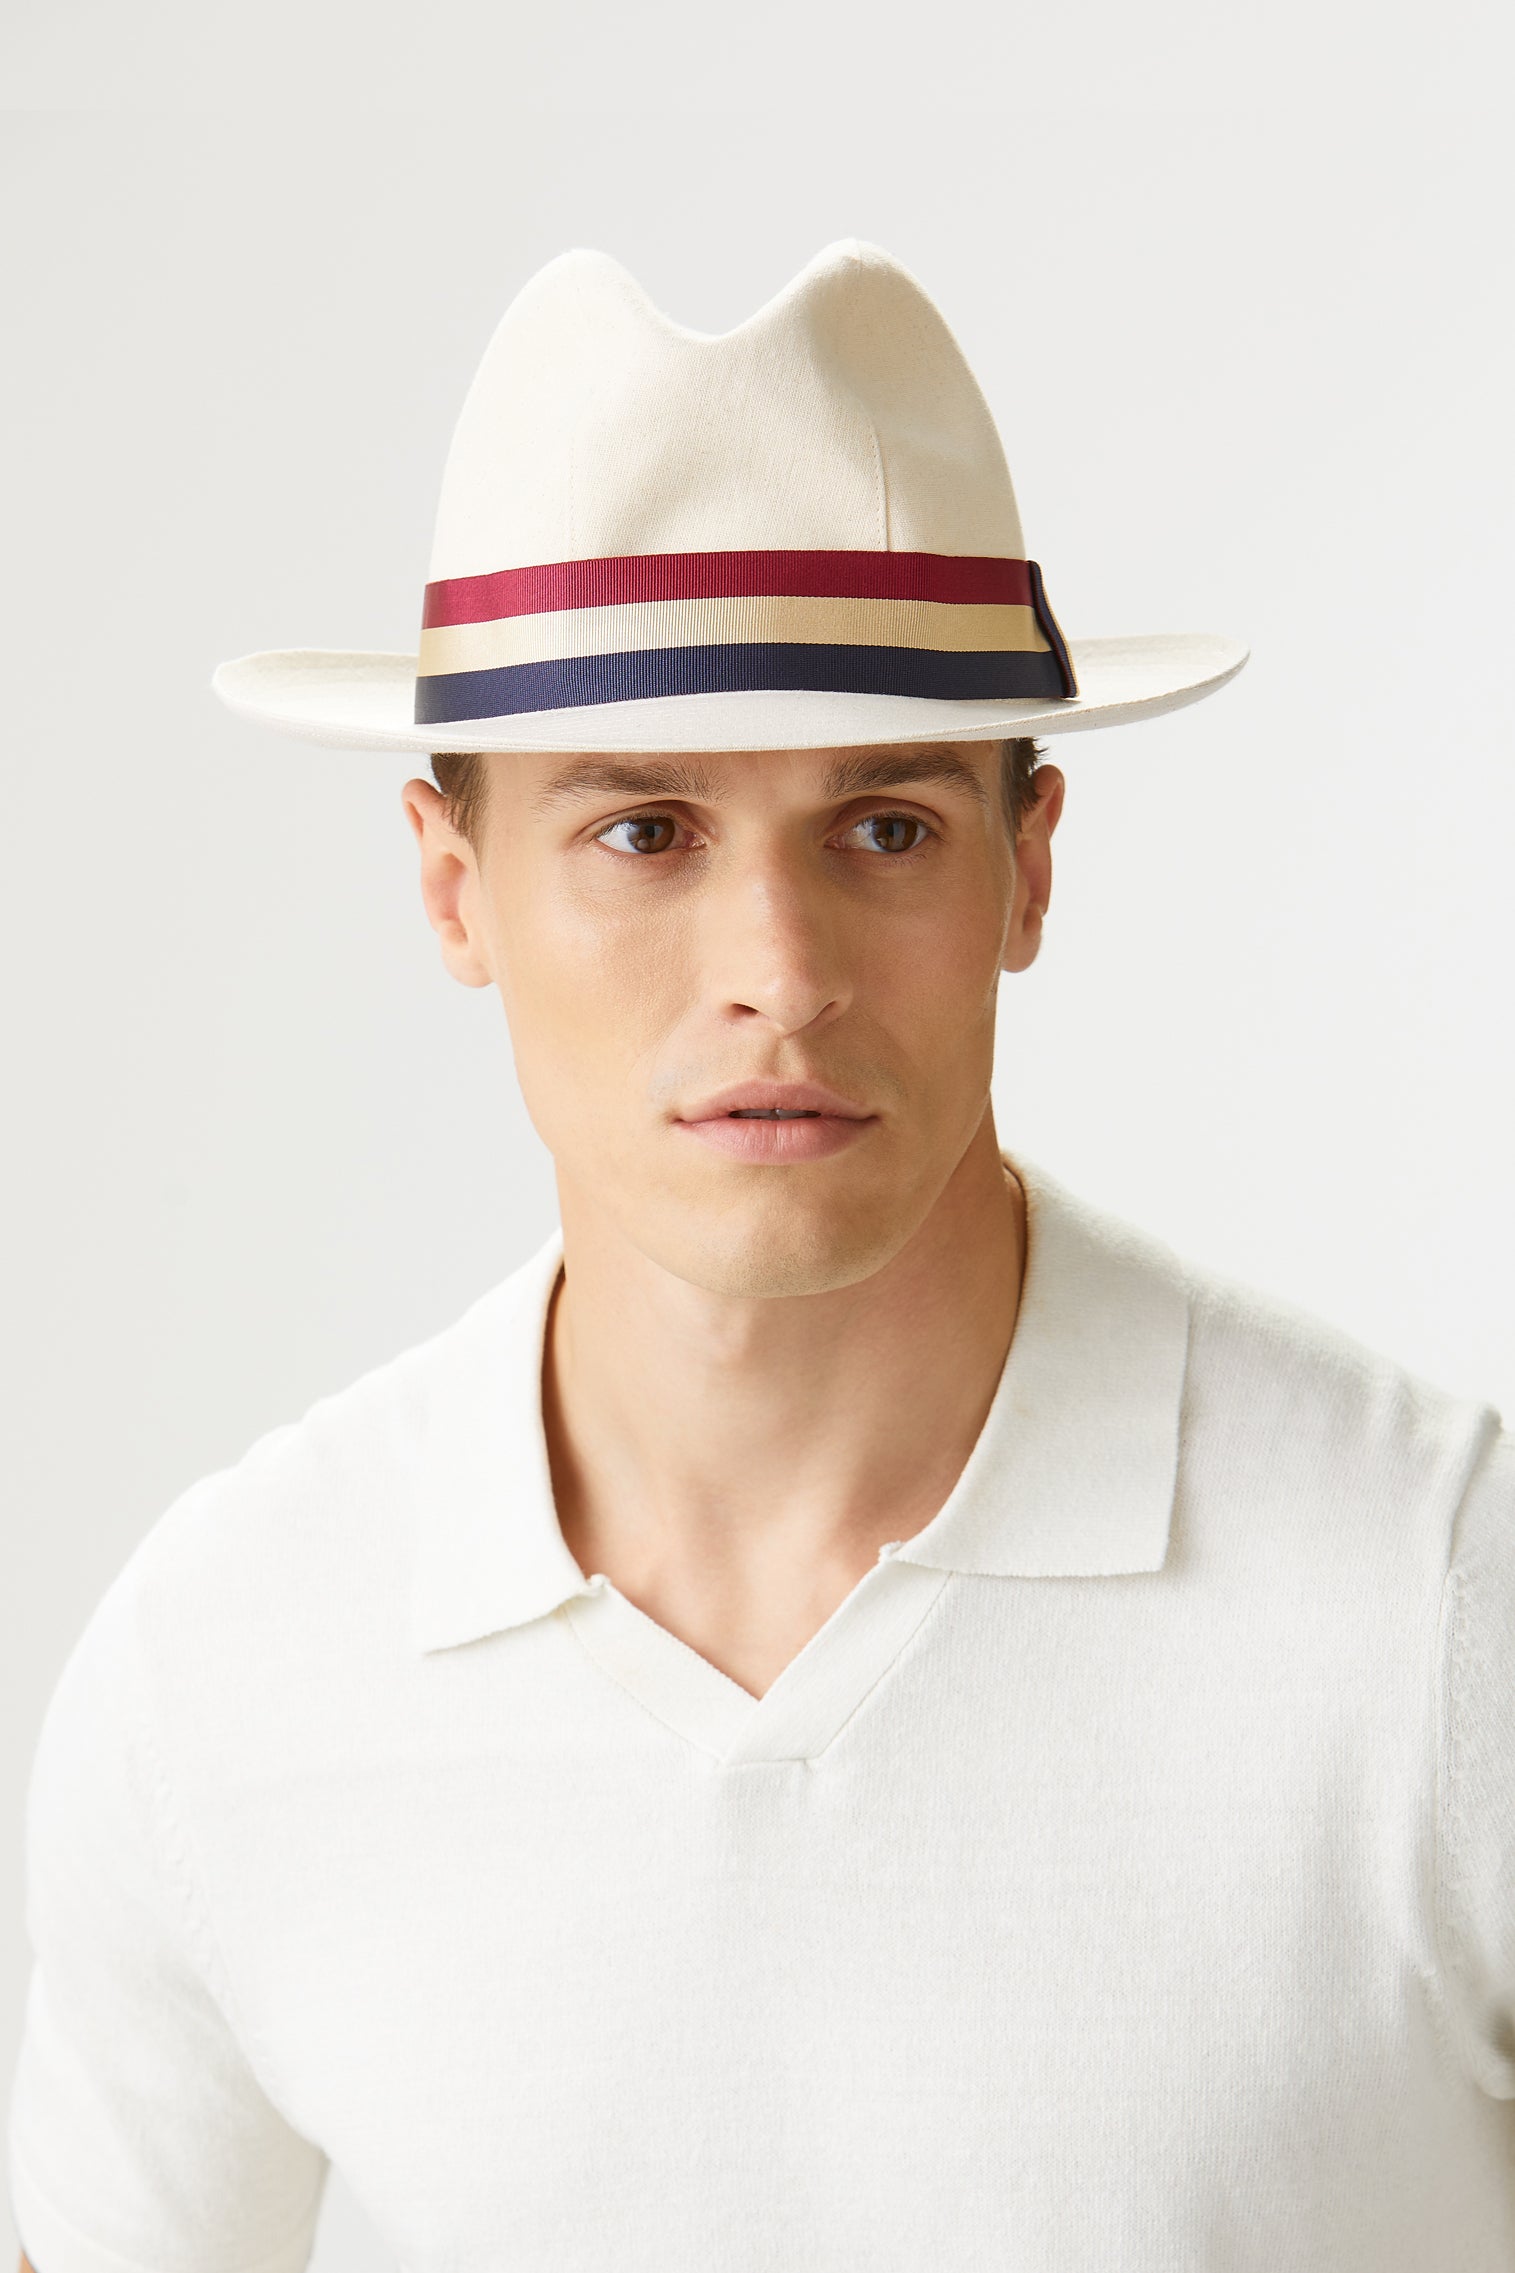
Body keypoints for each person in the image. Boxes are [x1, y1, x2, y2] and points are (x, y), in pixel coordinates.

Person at [9, 240, 1513, 2273]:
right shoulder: (225, 1664)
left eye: (883, 827)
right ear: (453, 889)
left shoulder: (1440, 1607)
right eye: (643, 832)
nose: (778, 975)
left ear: (1028, 868)